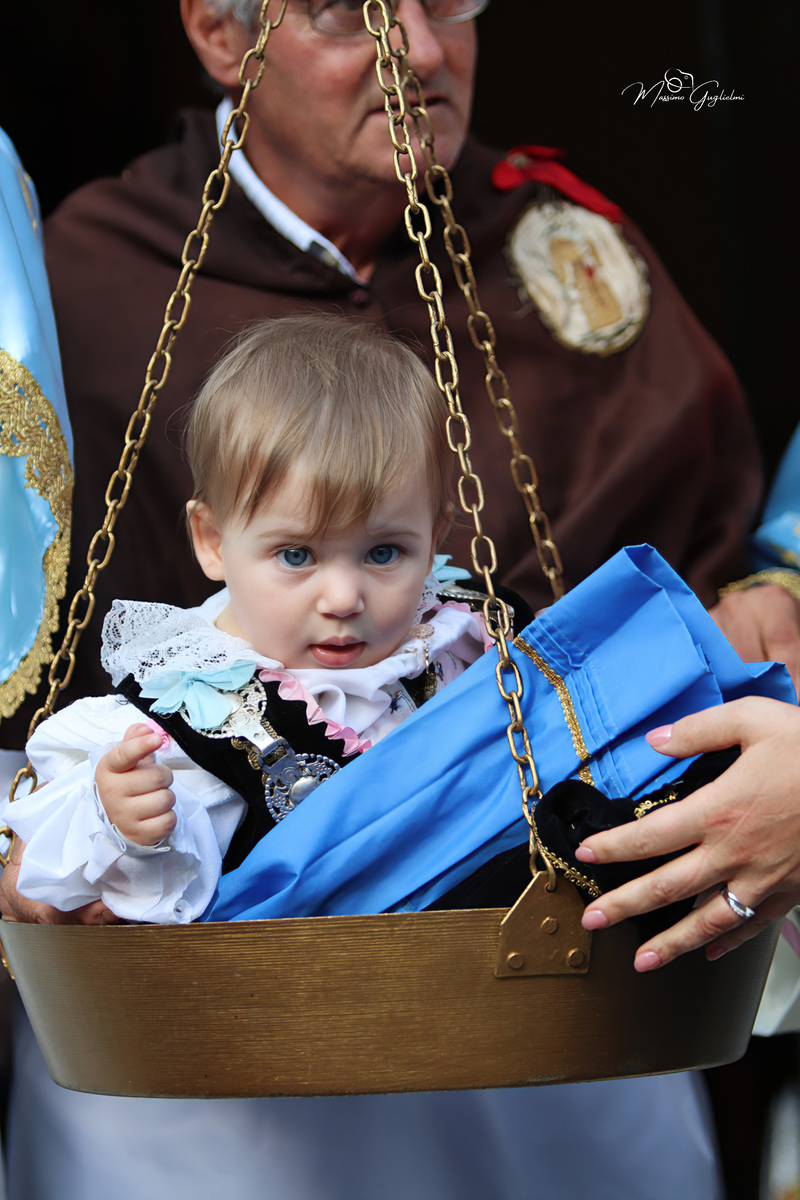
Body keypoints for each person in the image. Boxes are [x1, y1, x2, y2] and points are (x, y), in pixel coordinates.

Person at [0, 1, 796, 1197]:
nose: (417, 50)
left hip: (563, 1042)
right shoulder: (80, 283)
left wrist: (759, 624)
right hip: (211, 1079)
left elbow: (734, 551)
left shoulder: (570, 248)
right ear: (222, 36)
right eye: (342, 9)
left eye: (445, 1)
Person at [5, 314, 503, 921]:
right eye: (296, 555)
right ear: (212, 541)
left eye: (383, 553)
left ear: (435, 533)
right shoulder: (180, 728)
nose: (343, 598)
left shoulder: (467, 636)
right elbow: (57, 895)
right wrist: (126, 826)